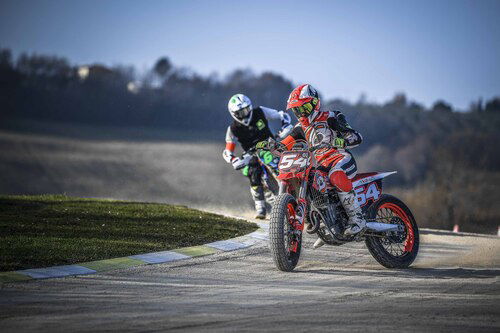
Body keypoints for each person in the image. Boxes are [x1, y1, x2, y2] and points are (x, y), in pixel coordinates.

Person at [280, 84, 364, 248]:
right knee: (311, 180)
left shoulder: (331, 116)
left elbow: (356, 136)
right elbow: (285, 144)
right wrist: (270, 146)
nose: (300, 113)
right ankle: (326, 224)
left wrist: (343, 140)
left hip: (340, 158)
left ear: (314, 103)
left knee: (335, 175)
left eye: (303, 108)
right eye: (296, 110)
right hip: (322, 165)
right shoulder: (299, 128)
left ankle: (357, 218)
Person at [222, 93, 292, 219]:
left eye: (247, 109)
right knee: (253, 173)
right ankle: (260, 208)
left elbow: (282, 114)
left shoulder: (260, 111)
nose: (245, 114)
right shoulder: (233, 129)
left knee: (286, 164)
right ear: (234, 114)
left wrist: (285, 126)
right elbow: (228, 149)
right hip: (251, 154)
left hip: (271, 146)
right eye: (241, 112)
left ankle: (297, 188)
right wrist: (233, 159)